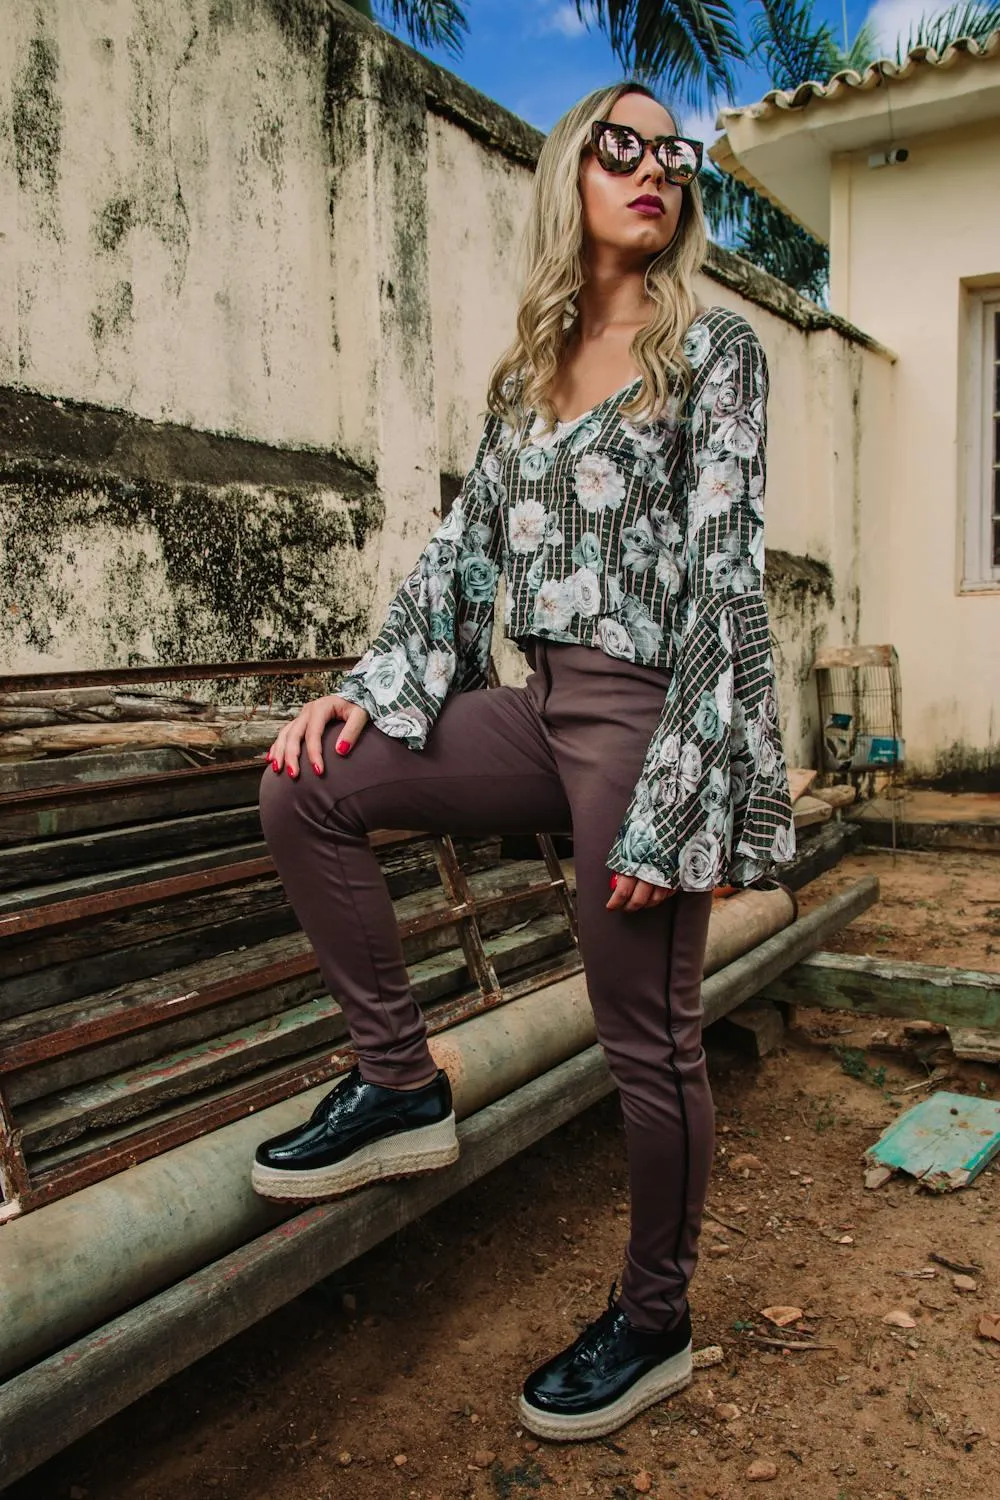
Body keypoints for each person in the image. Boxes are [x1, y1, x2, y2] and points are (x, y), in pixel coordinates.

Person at [253, 80, 796, 1442]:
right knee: (304, 786)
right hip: (529, 701)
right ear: (573, 170)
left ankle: (654, 1318)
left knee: (645, 1038)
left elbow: (727, 578)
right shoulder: (527, 370)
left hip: (642, 718)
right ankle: (398, 1083)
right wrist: (362, 694)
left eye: (672, 151)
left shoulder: (716, 352)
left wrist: (679, 797)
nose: (652, 167)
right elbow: (459, 564)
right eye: (623, 144)